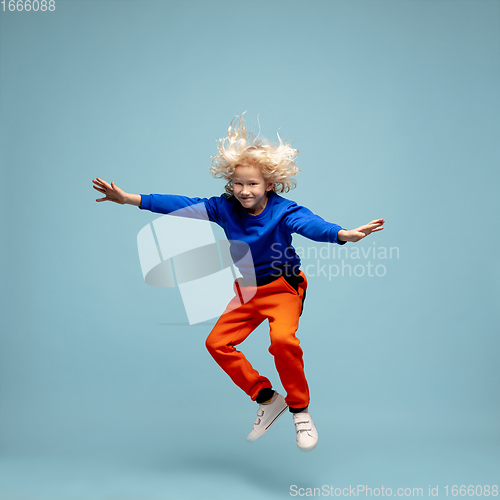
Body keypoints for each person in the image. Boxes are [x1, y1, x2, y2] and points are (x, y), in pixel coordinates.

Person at [92, 114, 385, 452]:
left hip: (283, 287)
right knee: (216, 343)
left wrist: (342, 235)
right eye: (238, 184)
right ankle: (267, 398)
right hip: (246, 288)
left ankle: (300, 410)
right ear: (231, 184)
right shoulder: (224, 208)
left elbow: (311, 225)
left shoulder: (284, 210)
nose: (245, 191)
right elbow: (181, 204)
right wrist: (130, 198)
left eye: (253, 184)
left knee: (283, 341)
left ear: (269, 185)